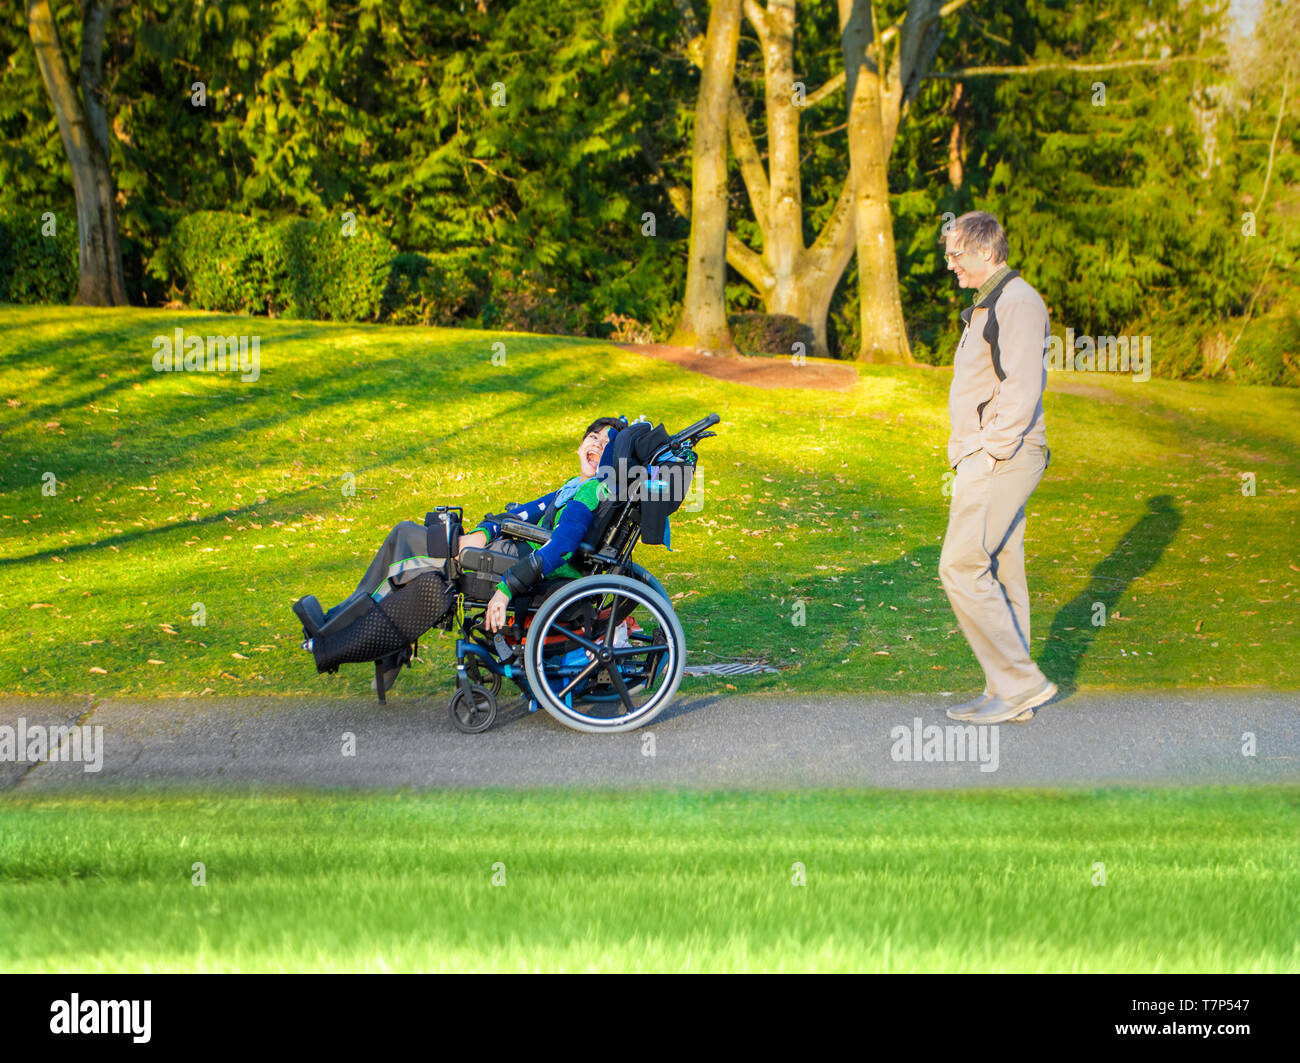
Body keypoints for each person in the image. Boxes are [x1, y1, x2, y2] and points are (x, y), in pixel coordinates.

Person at [298, 417, 623, 693]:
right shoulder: (572, 486)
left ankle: (336, 635)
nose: (597, 444)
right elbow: (522, 515)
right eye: (592, 438)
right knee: (408, 538)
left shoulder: (590, 491)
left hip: (517, 566)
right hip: (506, 550)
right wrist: (483, 533)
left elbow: (561, 547)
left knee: (407, 550)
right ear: (579, 447)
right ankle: (361, 635)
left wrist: (508, 587)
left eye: (607, 443)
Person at [938, 212, 1057, 725]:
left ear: (987, 251)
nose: (951, 265)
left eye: (957, 254)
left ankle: (1021, 683)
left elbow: (1022, 385)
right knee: (1003, 569)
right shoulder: (990, 305)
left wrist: (988, 451)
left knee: (960, 565)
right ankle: (1009, 693)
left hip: (1002, 455)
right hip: (994, 453)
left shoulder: (1017, 302)